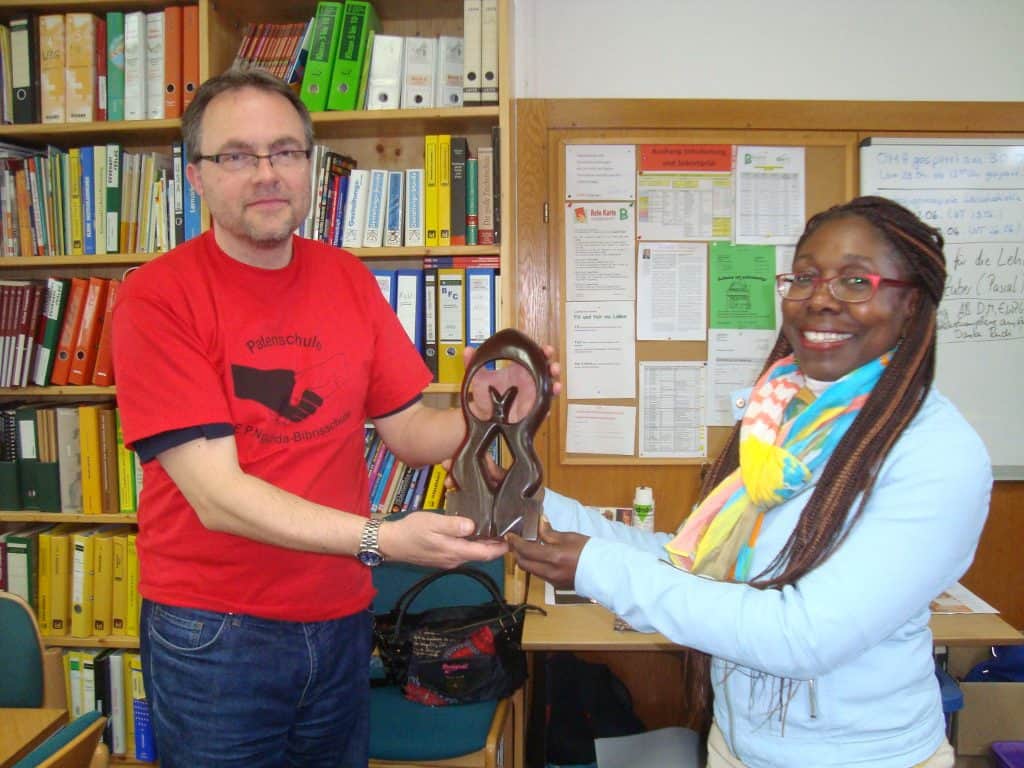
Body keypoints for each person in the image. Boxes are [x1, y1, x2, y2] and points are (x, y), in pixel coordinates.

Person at [112, 69, 554, 768]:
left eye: (286, 151)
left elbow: (409, 433)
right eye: (236, 155)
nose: (266, 173)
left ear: (310, 166)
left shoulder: (346, 278)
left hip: (342, 619)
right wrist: (382, 539)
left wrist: (489, 406)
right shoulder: (157, 299)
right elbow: (218, 497)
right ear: (194, 176)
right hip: (216, 635)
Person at [509, 196, 992, 768]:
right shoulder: (784, 420)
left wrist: (596, 567)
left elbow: (802, 635)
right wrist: (527, 494)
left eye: (855, 281)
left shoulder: (936, 453)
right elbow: (695, 562)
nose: (819, 299)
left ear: (911, 304)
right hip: (739, 748)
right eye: (805, 277)